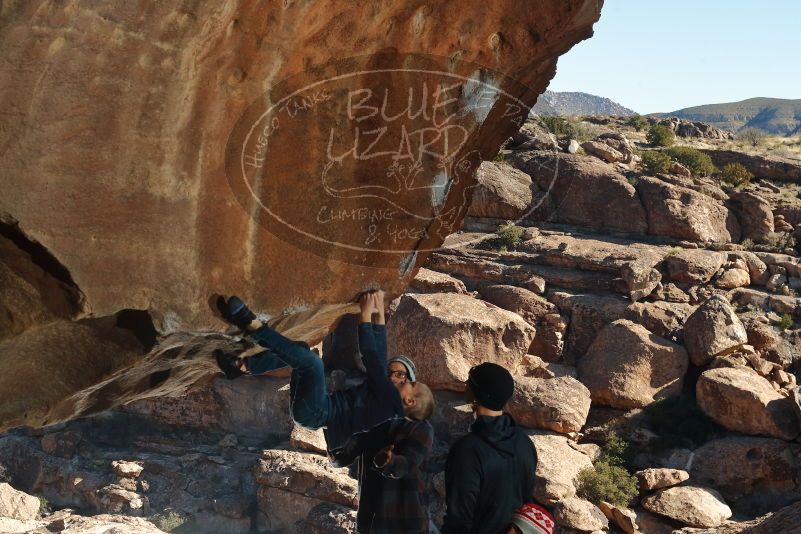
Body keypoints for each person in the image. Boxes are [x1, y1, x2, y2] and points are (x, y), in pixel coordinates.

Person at [213, 291, 436, 532]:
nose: (393, 377)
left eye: (403, 378)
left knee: (312, 363)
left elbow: (372, 355)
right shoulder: (384, 399)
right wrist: (379, 309)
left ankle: (252, 325)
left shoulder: (408, 417)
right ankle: (242, 367)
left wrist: (364, 313)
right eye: (391, 373)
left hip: (403, 524)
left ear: (410, 399)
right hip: (369, 516)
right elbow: (379, 354)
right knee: (301, 351)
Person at [442, 362, 538, 534]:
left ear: (476, 392)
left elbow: (459, 518)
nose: (465, 383)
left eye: (469, 381)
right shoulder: (525, 443)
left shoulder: (467, 450)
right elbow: (526, 500)